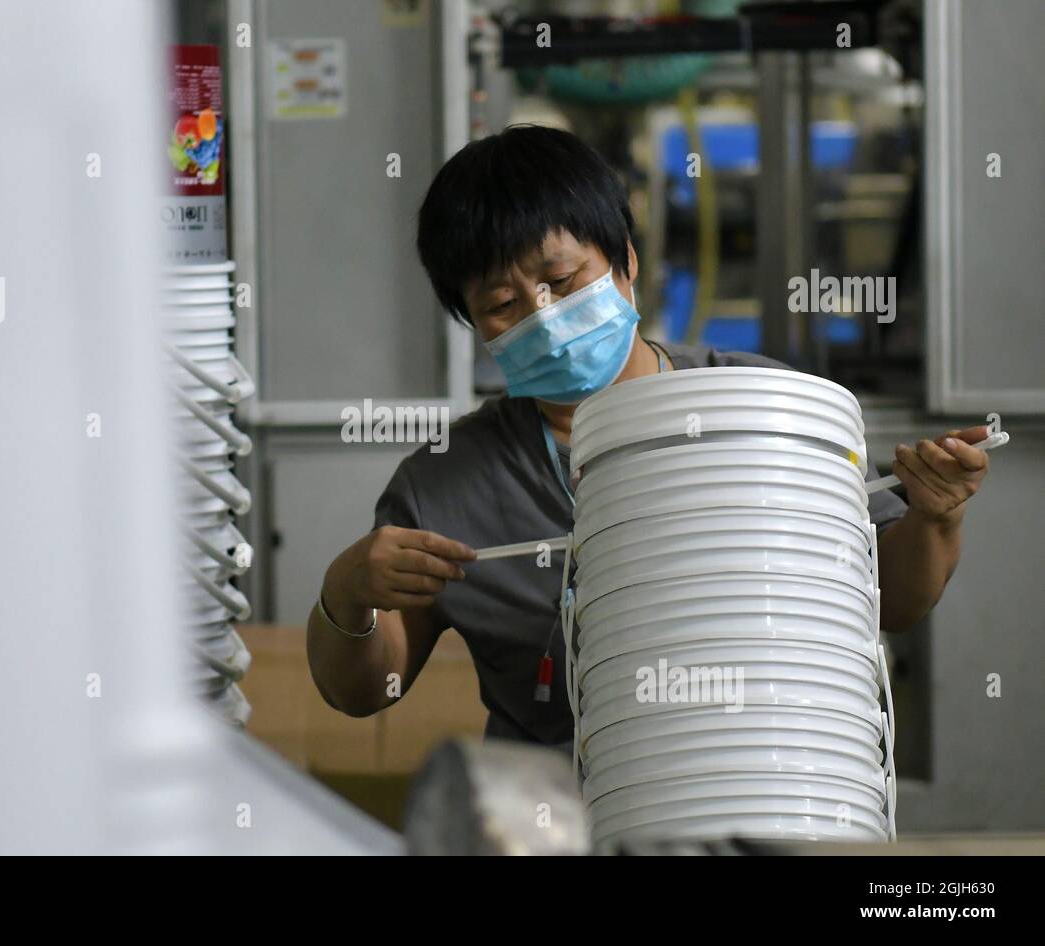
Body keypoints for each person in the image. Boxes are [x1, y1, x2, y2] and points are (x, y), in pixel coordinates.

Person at [306, 124, 991, 747]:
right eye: (502, 305)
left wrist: (934, 519)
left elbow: (894, 603)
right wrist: (346, 593)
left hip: (769, 782)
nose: (542, 318)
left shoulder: (764, 411)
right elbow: (365, 691)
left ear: (626, 261)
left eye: (562, 279)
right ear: (474, 326)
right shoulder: (448, 487)